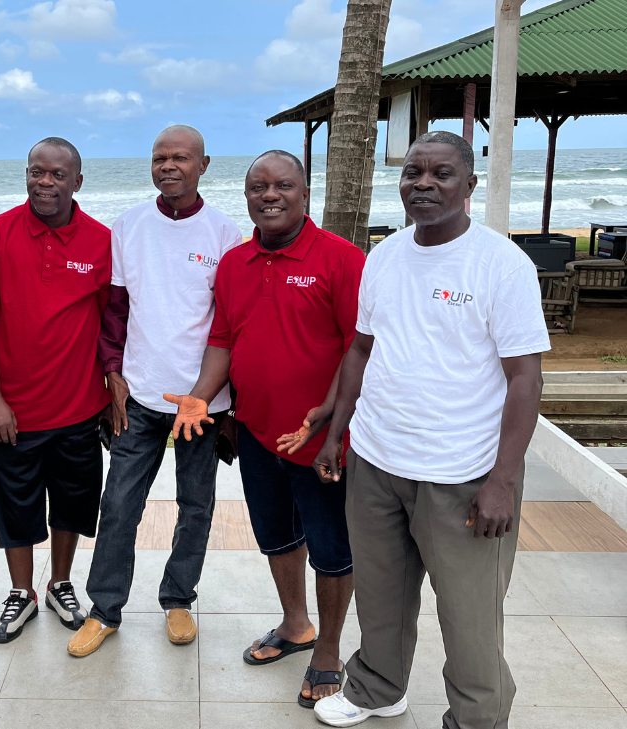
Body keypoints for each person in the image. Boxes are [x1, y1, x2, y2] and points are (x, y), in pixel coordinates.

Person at [311, 131, 549, 729]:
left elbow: (525, 378)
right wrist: (338, 433)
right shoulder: (386, 255)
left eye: (441, 174)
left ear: (469, 186)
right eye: (413, 171)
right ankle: (376, 690)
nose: (423, 183)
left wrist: (503, 480)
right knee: (382, 598)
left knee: (470, 619)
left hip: (462, 474)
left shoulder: (502, 265)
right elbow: (361, 350)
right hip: (377, 461)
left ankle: (478, 717)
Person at [167, 150, 363, 707]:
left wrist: (332, 422)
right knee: (277, 537)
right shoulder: (233, 264)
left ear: (305, 192)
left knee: (331, 549)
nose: (269, 195)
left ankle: (328, 650)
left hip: (326, 440)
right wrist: (201, 397)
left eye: (282, 186)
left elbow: (361, 349)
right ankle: (295, 624)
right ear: (247, 195)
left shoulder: (341, 260)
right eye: (258, 187)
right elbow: (224, 340)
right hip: (257, 433)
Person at [68, 125, 243, 657]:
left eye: (180, 158)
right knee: (119, 504)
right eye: (159, 158)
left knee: (197, 506)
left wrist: (228, 402)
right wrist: (113, 374)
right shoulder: (130, 226)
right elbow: (115, 311)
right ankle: (105, 610)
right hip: (139, 398)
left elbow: (232, 323)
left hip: (204, 401)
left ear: (204, 165)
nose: (169, 166)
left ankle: (178, 599)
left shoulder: (225, 233)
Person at [0, 137, 111, 644]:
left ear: (77, 182)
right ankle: (21, 591)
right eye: (36, 172)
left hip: (80, 407)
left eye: (57, 175)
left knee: (72, 504)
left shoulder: (101, 240)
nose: (45, 182)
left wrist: (113, 389)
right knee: (15, 506)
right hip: (13, 412)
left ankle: (60, 582)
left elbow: (114, 320)